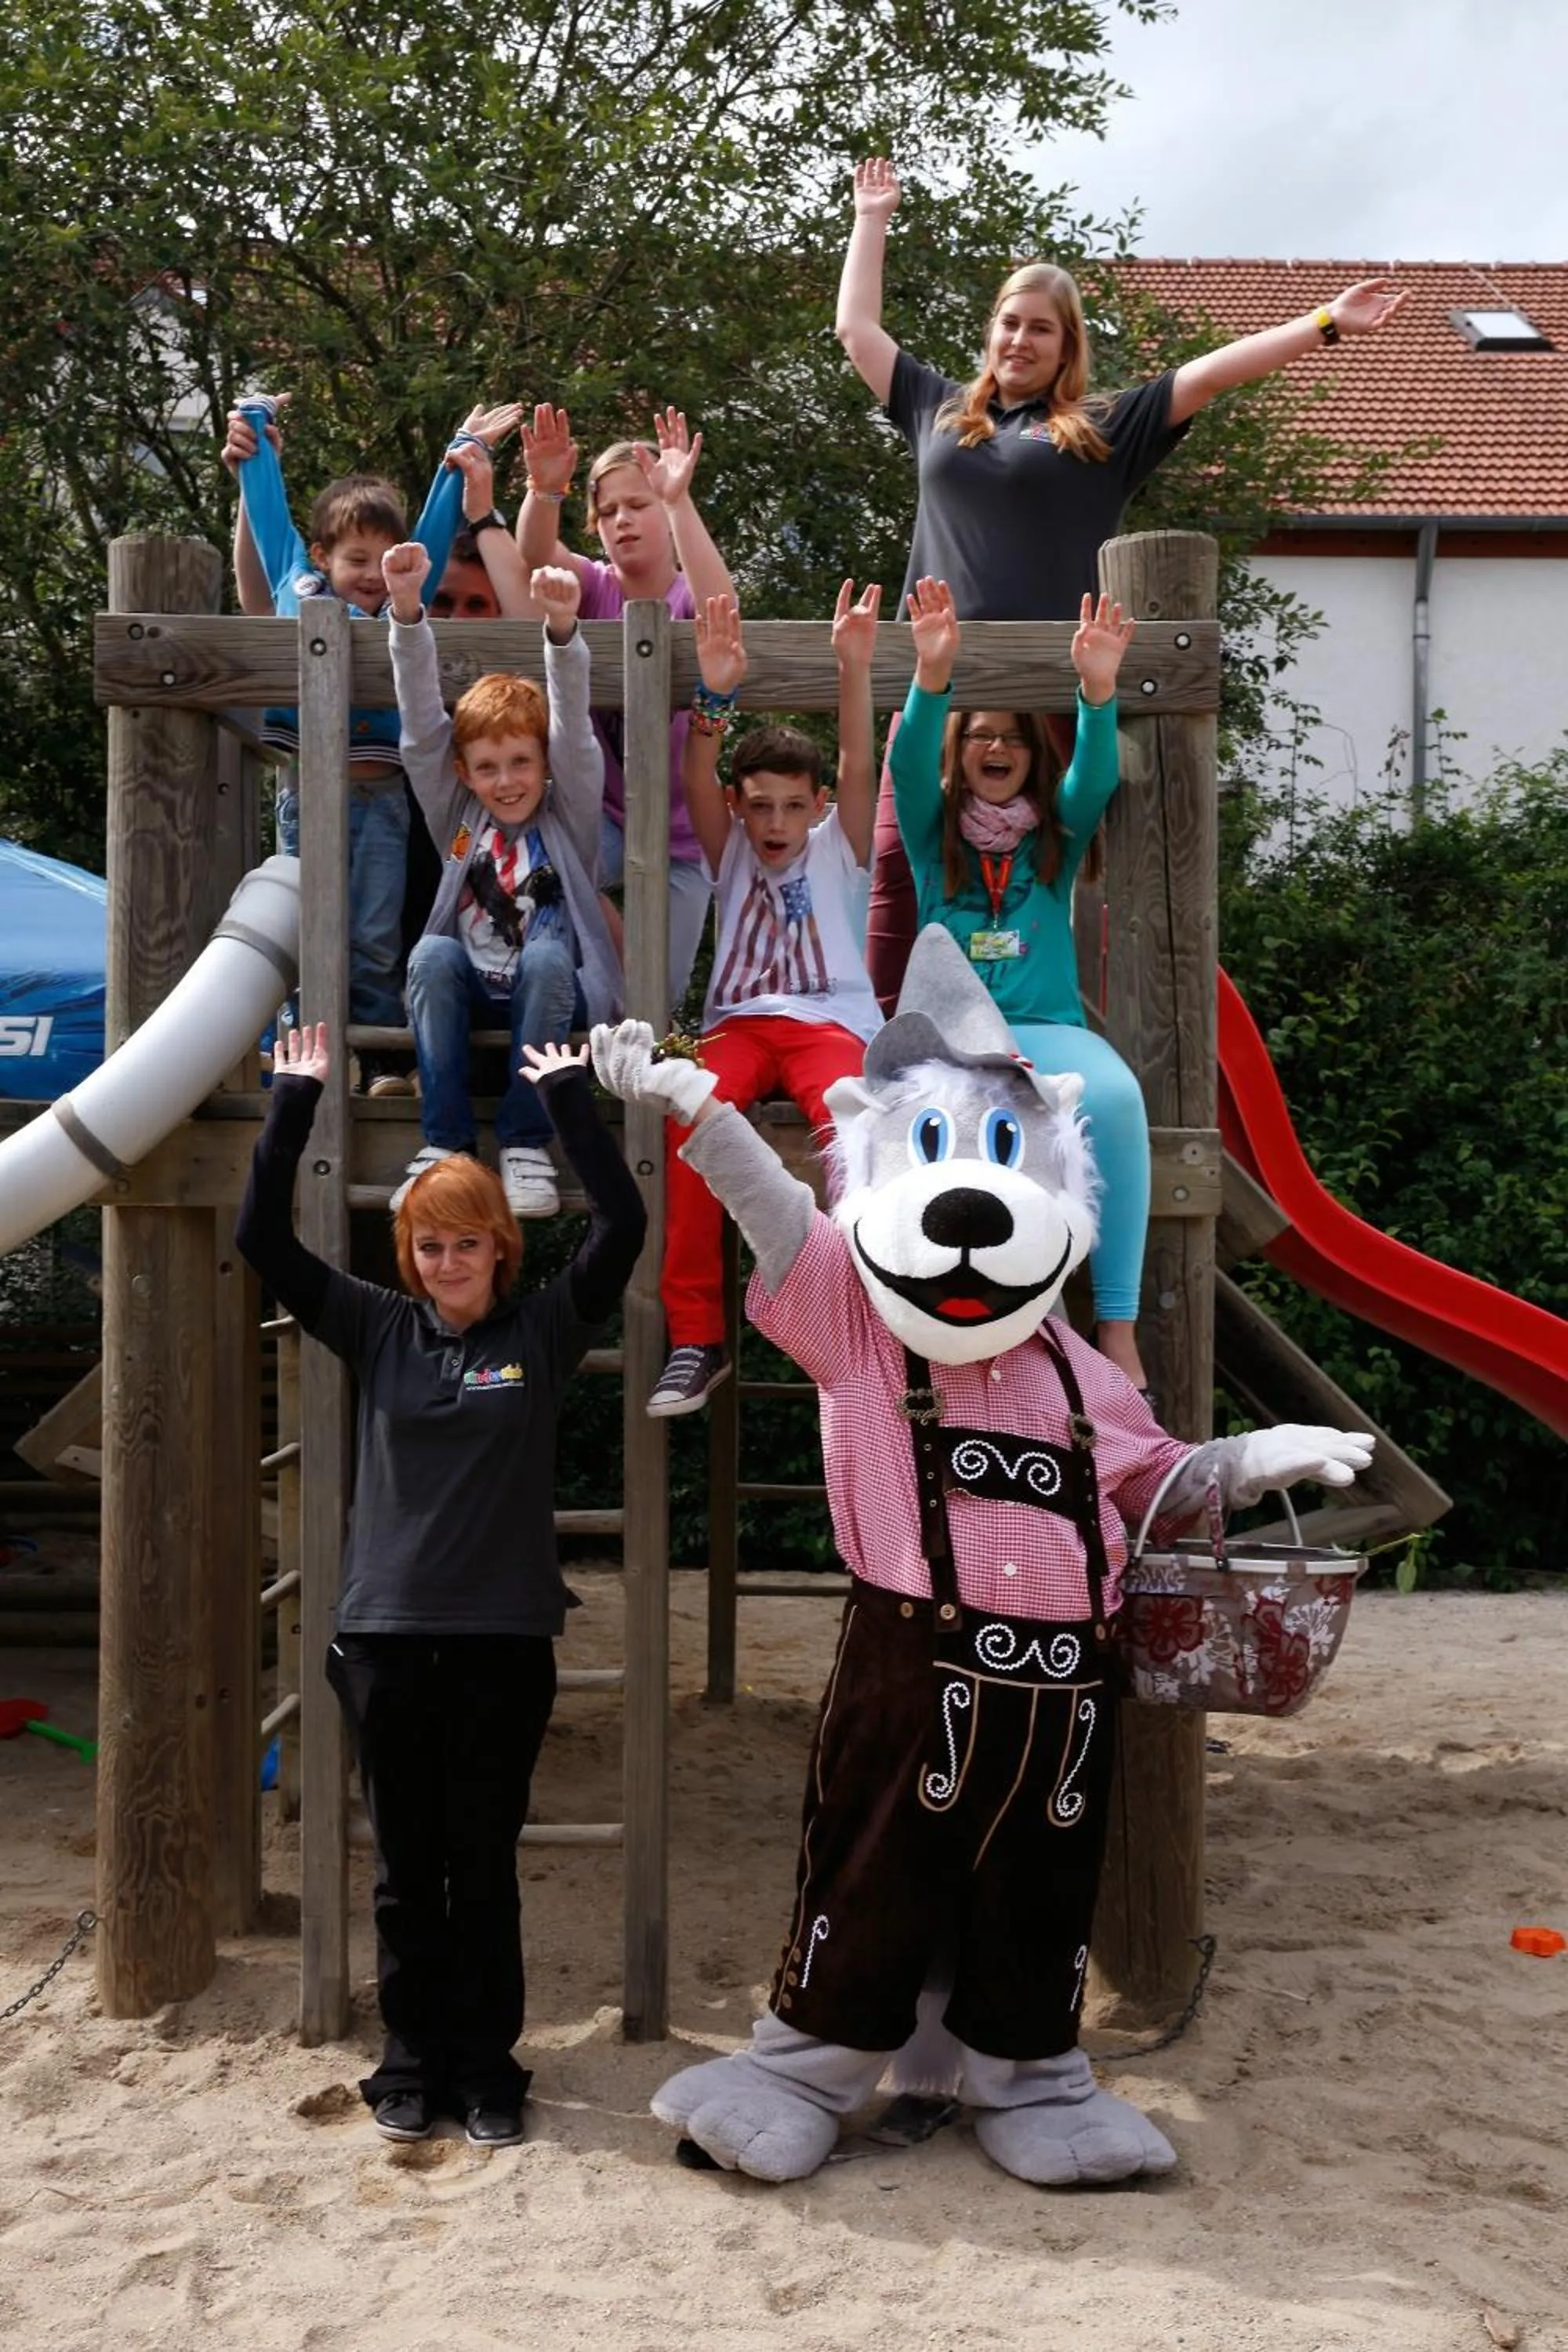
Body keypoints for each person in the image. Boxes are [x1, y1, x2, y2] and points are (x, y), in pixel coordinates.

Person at [835, 154, 1410, 1007]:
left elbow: (1212, 372)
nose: (1018, 341)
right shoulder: (937, 407)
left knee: (1049, 877)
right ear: (988, 333)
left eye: (1040, 329)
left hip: (1048, 693)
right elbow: (856, 331)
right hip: (937, 681)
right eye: (1007, 324)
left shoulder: (1099, 428)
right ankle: (885, 1037)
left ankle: (1046, 1040)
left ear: (1066, 346)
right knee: (900, 864)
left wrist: (1324, 320)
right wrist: (871, 217)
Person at [237, 1020, 645, 2147]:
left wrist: (565, 1101)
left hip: (503, 1645)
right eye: (427, 1248)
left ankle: (489, 2071)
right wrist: (292, 1101)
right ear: (407, 1256)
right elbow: (260, 1236)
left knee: (486, 1868)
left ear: (499, 1250)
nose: (446, 1265)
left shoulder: (543, 1333)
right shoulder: (376, 1330)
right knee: (408, 1876)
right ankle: (409, 2065)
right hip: (385, 1641)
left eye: (465, 1246)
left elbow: (626, 1225)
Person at [892, 575, 1149, 1390]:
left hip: (1045, 1030)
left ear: (1033, 755)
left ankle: (1117, 1324)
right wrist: (932, 677)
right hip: (955, 1039)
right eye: (977, 737)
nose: (995, 749)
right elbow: (902, 766)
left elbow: (1094, 782)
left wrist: (1097, 691)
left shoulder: (1050, 845)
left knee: (1113, 1100)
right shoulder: (936, 842)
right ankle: (912, 1309)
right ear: (957, 750)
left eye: (1012, 738)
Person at [222, 395, 521, 1093]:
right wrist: (256, 423)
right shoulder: (300, 582)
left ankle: (383, 1059)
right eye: (357, 559)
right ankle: (311, 1058)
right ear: (324, 555)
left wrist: (461, 450)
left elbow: (436, 532)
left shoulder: (397, 603)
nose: (371, 573)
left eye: (384, 561)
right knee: (305, 931)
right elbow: (267, 513)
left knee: (376, 936)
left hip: (383, 798)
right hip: (309, 794)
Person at [645, 582, 884, 1416]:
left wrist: (851, 665)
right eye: (760, 806)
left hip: (828, 1026)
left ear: (816, 807)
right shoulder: (731, 850)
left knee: (858, 1125)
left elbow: (859, 764)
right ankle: (694, 1335)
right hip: (740, 1027)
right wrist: (712, 696)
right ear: (741, 811)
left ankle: (873, 1307)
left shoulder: (838, 848)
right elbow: (695, 772)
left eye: (792, 805)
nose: (775, 822)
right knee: (689, 1108)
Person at [381, 539, 621, 1220]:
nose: (506, 781)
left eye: (520, 762)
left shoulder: (564, 817)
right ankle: (445, 1146)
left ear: (542, 766)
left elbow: (574, 731)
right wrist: (405, 612)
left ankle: (525, 1141)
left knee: (547, 954)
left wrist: (563, 632)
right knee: (430, 953)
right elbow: (423, 729)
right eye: (488, 767)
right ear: (464, 775)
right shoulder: (458, 819)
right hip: (472, 992)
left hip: (547, 998)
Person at [517, 405, 737, 1007]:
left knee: (655, 1003)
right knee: (550, 878)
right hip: (604, 814)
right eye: (608, 511)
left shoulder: (689, 592)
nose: (622, 520)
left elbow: (723, 605)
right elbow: (535, 553)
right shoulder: (592, 585)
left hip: (683, 833)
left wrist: (677, 498)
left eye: (638, 505)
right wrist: (544, 489)